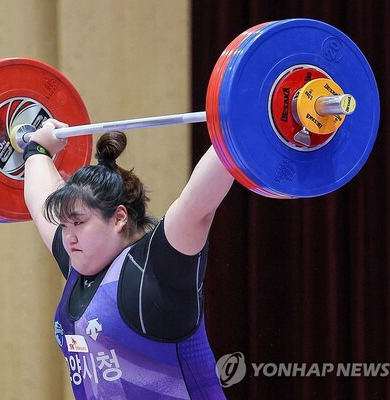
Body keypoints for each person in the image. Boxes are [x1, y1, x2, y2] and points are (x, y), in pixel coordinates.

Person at [23, 118, 234, 399]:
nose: (68, 236)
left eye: (79, 222)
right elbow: (39, 200)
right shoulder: (78, 260)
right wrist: (37, 148)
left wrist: (238, 125)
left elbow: (198, 205)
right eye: (64, 225)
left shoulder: (156, 269)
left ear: (119, 218)